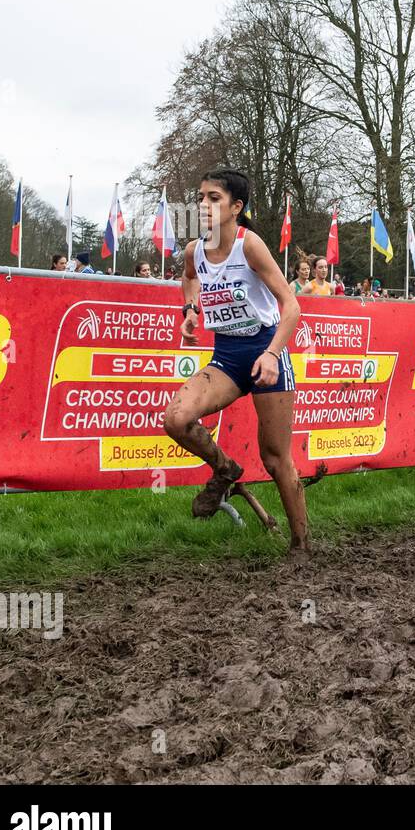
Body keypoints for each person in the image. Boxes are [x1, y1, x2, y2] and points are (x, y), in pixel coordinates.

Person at [162, 168, 310, 562]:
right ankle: (225, 469)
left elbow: (292, 306)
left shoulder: (250, 246)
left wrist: (272, 355)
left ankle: (301, 546)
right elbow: (189, 277)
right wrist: (191, 309)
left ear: (236, 207)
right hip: (227, 357)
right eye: (200, 197)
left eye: (214, 198)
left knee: (276, 459)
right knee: (176, 418)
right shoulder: (195, 249)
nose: (203, 205)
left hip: (266, 351)